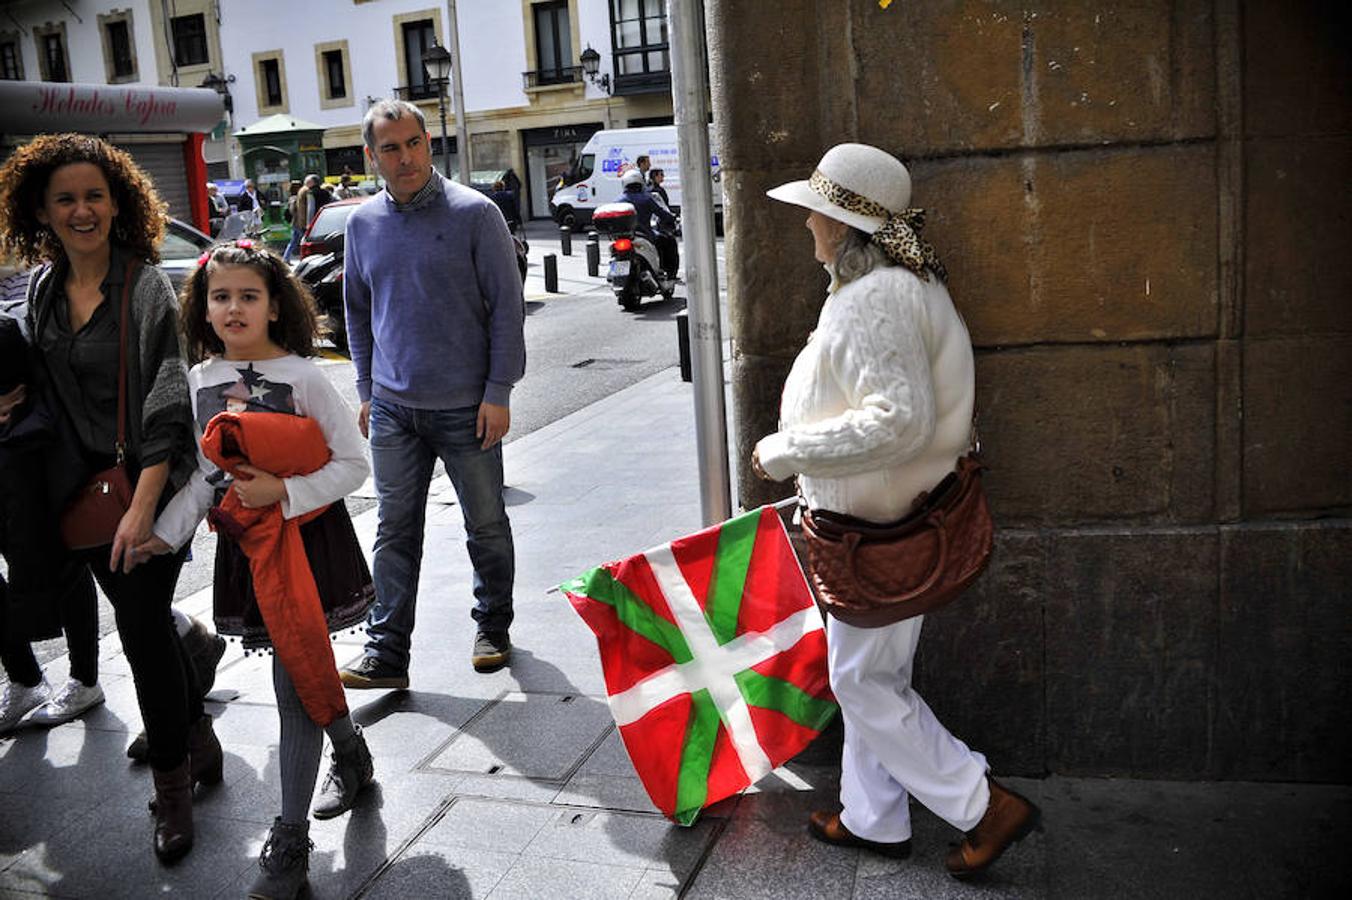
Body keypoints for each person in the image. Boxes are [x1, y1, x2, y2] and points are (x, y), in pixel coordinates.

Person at [752, 143, 1039, 880]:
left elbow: (896, 421)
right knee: (877, 674)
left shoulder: (879, 294)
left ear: (846, 224)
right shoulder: (895, 283)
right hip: (890, 521)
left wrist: (790, 451)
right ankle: (872, 816)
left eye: (817, 211)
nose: (807, 224)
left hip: (877, 530)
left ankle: (980, 804)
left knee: (862, 681)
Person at [0, 133, 218, 864]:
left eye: (95, 194)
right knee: (148, 619)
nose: (82, 209)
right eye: (66, 198)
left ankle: (175, 788)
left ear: (117, 202)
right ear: (42, 208)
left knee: (138, 627)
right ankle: (196, 719)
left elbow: (165, 398)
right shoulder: (40, 287)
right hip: (83, 489)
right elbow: (48, 388)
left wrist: (142, 503)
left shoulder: (146, 285)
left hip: (154, 481)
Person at [138, 240, 376, 898]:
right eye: (221, 296)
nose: (234, 307)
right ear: (204, 308)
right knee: (301, 669)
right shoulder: (197, 380)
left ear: (276, 305)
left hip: (309, 543)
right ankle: (350, 751)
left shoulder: (304, 374)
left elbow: (354, 465)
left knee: (294, 679)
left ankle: (290, 837)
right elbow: (203, 479)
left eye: (249, 295)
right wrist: (162, 536)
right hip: (247, 553)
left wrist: (286, 494)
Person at [340, 98, 525, 688]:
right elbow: (358, 313)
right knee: (394, 529)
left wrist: (498, 391)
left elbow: (506, 310)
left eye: (413, 143)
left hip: (467, 407)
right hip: (393, 408)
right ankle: (386, 651)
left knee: (487, 523)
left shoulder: (476, 213)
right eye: (389, 148)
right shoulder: (362, 224)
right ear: (372, 157)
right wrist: (367, 388)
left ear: (428, 143)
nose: (405, 157)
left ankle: (493, 624)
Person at [618, 168, 678, 279]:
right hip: (644, 233)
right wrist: (672, 218)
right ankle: (669, 273)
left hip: (623, 236)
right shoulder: (646, 199)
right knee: (669, 240)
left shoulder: (618, 200)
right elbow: (661, 213)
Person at [283, 175, 320, 262]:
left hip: (296, 222)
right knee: (304, 240)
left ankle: (286, 258)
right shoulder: (302, 194)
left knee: (294, 241)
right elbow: (298, 209)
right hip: (299, 222)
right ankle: (301, 258)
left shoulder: (295, 196)